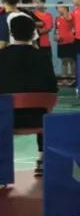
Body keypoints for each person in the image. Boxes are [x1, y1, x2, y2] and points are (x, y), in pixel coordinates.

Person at [0, 14, 57, 176]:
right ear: (33, 33)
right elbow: (52, 88)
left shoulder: (2, 56)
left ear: (11, 33)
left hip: (6, 119)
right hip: (38, 117)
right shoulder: (43, 56)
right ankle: (42, 158)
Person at [55, 4, 79, 84]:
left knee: (72, 61)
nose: (58, 9)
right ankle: (64, 79)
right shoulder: (57, 18)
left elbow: (68, 18)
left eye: (60, 7)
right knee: (64, 61)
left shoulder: (70, 16)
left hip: (70, 41)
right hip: (61, 42)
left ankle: (73, 79)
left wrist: (65, 10)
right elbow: (57, 29)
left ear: (65, 8)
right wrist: (56, 36)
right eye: (57, 8)